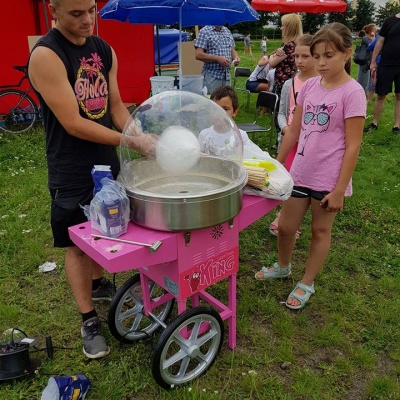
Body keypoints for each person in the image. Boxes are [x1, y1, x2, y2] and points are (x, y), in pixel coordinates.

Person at [28, 0, 156, 359]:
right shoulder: (47, 55)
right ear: (53, 10)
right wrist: (130, 141)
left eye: (91, 10)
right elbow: (72, 121)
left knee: (109, 223)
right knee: (77, 243)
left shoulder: (103, 49)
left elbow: (114, 105)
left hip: (105, 157)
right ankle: (88, 319)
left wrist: (141, 134)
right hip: (71, 166)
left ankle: (98, 285)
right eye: (76, 14)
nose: (87, 21)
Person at [255, 23, 366, 310]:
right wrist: (278, 164)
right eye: (316, 56)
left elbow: (353, 145)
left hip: (329, 179)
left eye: (328, 55)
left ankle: (307, 282)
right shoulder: (310, 86)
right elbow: (293, 129)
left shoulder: (353, 93)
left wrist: (340, 189)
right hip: (300, 172)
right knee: (286, 227)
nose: (321, 62)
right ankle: (283, 266)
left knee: (320, 231)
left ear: (347, 54)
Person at [269, 33, 319, 239]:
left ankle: (292, 220)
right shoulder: (290, 84)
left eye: (305, 56)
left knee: (306, 185)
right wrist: (284, 129)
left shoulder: (321, 84)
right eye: (297, 56)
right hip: (289, 141)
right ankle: (283, 218)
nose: (299, 61)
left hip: (311, 145)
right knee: (289, 182)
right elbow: (281, 112)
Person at [365, 12, 400, 134]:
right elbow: (379, 42)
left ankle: (397, 126)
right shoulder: (390, 21)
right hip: (386, 64)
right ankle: (374, 123)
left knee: (399, 97)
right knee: (380, 95)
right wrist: (373, 61)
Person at [198, 86, 251, 156]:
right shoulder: (204, 135)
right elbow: (199, 158)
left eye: (225, 109)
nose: (219, 113)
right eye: (215, 108)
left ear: (234, 112)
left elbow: (245, 159)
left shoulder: (241, 136)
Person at [194, 25, 240, 95]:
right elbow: (198, 54)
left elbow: (232, 49)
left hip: (226, 76)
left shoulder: (227, 31)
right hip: (212, 76)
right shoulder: (204, 31)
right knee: (211, 103)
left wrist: (236, 57)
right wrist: (217, 58)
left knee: (224, 102)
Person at [268, 13, 303, 98]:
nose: (281, 28)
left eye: (283, 25)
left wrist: (273, 56)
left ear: (289, 28)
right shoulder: (296, 43)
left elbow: (271, 63)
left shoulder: (289, 45)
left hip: (283, 84)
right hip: (288, 82)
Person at [356, 24, 376, 92]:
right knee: (362, 78)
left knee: (369, 78)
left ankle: (366, 91)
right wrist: (373, 37)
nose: (376, 30)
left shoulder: (371, 38)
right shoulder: (365, 38)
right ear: (371, 31)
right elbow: (372, 46)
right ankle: (359, 91)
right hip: (364, 61)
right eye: (374, 29)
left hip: (369, 60)